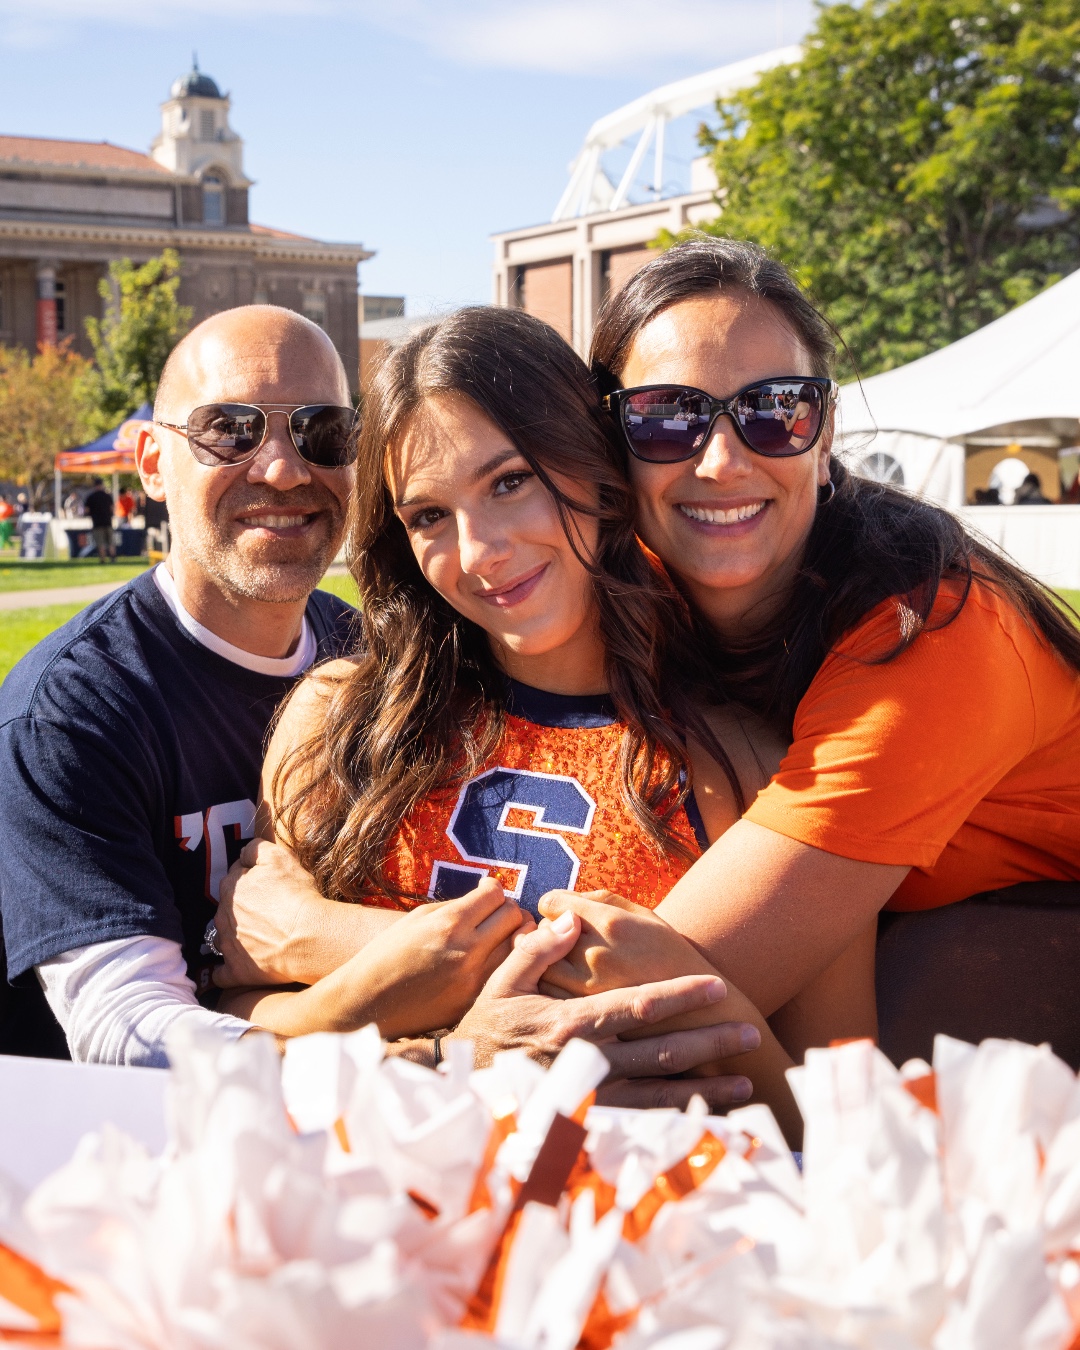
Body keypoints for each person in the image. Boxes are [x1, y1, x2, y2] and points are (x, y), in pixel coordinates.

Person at [0, 303, 761, 1114]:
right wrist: (440, 1061)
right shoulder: (80, 715)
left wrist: (332, 940)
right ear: (151, 461)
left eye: (323, 433)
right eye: (231, 430)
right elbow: (124, 1034)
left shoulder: (366, 664)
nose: (284, 470)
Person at [210, 307, 879, 1142]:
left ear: (592, 463)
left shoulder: (747, 765)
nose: (481, 549)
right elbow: (237, 1023)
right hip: (378, 1232)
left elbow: (846, 1135)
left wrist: (703, 1000)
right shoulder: (338, 720)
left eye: (510, 481)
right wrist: (438, 1045)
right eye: (428, 516)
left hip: (656, 1242)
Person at [83, 477, 116, 563]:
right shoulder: (107, 496)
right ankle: (113, 557)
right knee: (110, 542)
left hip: (97, 523)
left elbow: (86, 510)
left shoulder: (91, 497)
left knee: (100, 543)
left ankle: (103, 559)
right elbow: (112, 508)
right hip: (108, 522)